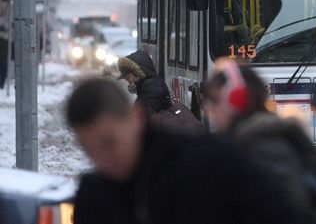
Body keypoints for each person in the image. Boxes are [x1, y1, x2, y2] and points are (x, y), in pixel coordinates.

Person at [67, 77, 300, 224]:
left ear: (137, 117)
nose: (103, 159)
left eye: (109, 142)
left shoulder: (210, 163)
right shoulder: (94, 196)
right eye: (89, 149)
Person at [203, 58, 316, 223]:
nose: (210, 110)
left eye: (214, 101)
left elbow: (290, 207)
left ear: (236, 99)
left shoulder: (265, 146)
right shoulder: (249, 139)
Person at [117, 50, 172, 115]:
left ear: (136, 72)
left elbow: (146, 114)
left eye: (128, 78)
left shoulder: (152, 87)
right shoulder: (146, 85)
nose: (129, 82)